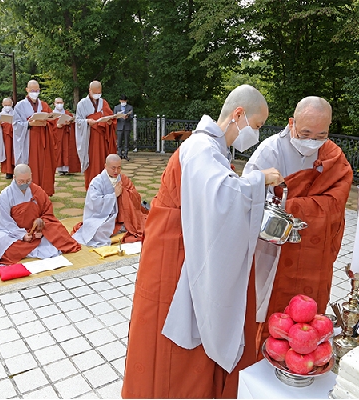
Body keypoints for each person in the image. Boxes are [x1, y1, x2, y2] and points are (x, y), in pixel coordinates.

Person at [121, 85, 284, 399]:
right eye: (257, 125)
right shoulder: (201, 146)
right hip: (176, 250)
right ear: (238, 114)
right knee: (175, 337)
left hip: (186, 239)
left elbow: (216, 193)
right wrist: (258, 179)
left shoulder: (212, 146)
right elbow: (218, 197)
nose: (257, 134)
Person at [242, 96, 353, 356]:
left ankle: (305, 353)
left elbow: (336, 203)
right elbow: (246, 194)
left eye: (321, 134)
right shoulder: (271, 150)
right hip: (274, 248)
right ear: (291, 123)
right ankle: (264, 353)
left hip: (313, 251)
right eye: (305, 133)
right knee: (269, 307)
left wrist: (295, 205)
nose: (312, 141)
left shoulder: (332, 156)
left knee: (308, 311)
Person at [0, 164, 81, 266]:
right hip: (13, 232)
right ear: (14, 177)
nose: (25, 184)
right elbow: (4, 222)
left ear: (31, 176)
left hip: (35, 230)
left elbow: (47, 212)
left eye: (28, 180)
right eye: (21, 181)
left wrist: (40, 228)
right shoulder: (5, 196)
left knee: (59, 234)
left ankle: (29, 248)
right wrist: (22, 235)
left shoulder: (37, 191)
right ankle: (31, 247)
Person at [72, 154, 148, 247]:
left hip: (122, 217)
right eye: (113, 168)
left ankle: (123, 225)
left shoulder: (123, 179)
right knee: (95, 232)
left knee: (142, 223)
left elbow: (136, 198)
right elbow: (94, 203)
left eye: (119, 168)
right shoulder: (97, 182)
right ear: (105, 166)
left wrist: (125, 193)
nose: (116, 171)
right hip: (103, 218)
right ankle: (120, 227)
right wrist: (114, 195)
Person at [12, 80, 57, 196]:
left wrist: (47, 122)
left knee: (44, 165)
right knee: (32, 166)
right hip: (29, 140)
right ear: (27, 90)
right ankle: (29, 192)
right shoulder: (20, 106)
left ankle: (44, 192)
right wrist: (29, 124)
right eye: (32, 90)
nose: (35, 92)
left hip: (43, 140)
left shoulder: (44, 105)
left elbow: (52, 120)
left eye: (37, 90)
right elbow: (16, 124)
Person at [75, 80, 118, 191]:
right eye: (95, 92)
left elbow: (111, 118)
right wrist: (87, 121)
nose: (97, 95)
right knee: (92, 162)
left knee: (103, 161)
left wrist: (109, 122)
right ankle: (92, 187)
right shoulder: (82, 103)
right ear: (90, 90)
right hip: (89, 138)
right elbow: (78, 121)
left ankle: (105, 186)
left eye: (99, 92)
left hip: (102, 138)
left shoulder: (103, 102)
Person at [52, 97, 81, 175]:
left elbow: (72, 121)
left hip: (66, 134)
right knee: (58, 151)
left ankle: (67, 168)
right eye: (57, 103)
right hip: (57, 134)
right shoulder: (52, 114)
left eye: (60, 102)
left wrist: (70, 123)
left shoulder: (67, 113)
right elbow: (49, 125)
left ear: (63, 103)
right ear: (54, 104)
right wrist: (56, 125)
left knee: (67, 150)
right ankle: (59, 168)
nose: (59, 104)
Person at [0, 97, 15, 179]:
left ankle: (17, 171)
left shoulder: (16, 114)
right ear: (2, 104)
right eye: (5, 105)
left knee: (15, 154)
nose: (7, 106)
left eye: (9, 105)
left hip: (15, 138)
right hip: (4, 138)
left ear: (12, 104)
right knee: (7, 153)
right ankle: (8, 172)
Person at [113, 94, 133, 161]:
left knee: (127, 141)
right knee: (119, 142)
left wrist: (127, 117)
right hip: (119, 126)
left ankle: (126, 155)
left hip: (127, 126)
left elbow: (131, 117)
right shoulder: (116, 107)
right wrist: (118, 116)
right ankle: (120, 154)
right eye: (122, 101)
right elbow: (114, 117)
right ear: (120, 100)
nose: (123, 102)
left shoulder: (130, 107)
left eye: (124, 101)